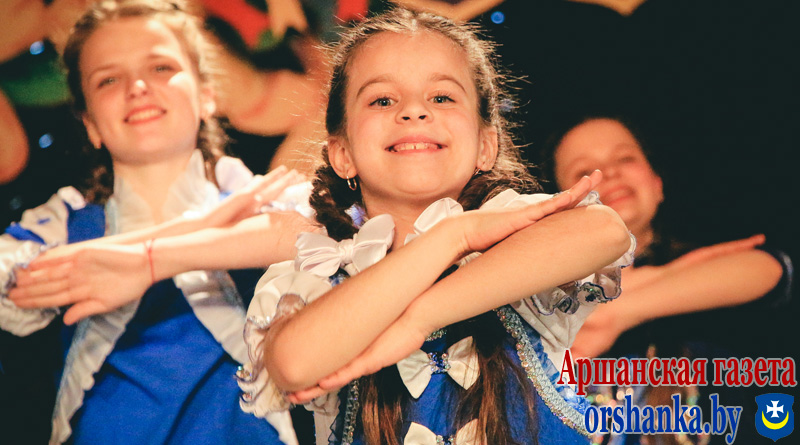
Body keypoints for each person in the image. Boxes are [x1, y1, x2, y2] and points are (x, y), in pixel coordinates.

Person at [235, 8, 634, 445]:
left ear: (486, 146)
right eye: (382, 100)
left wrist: (420, 318)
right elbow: (294, 363)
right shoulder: (317, 275)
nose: (413, 111)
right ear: (342, 154)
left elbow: (605, 231)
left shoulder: (517, 234)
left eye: (442, 97)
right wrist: (451, 237)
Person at [0, 1, 316, 443]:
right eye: (108, 79)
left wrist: (158, 253)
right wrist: (198, 227)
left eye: (161, 67)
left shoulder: (261, 200)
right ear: (90, 124)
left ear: (207, 95)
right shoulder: (62, 221)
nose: (138, 87)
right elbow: (11, 290)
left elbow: (317, 239)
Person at [545, 115, 792, 444]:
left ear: (657, 184)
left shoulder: (706, 271)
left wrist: (615, 312)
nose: (610, 173)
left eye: (625, 158)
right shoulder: (545, 302)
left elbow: (772, 271)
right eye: (583, 172)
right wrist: (653, 280)